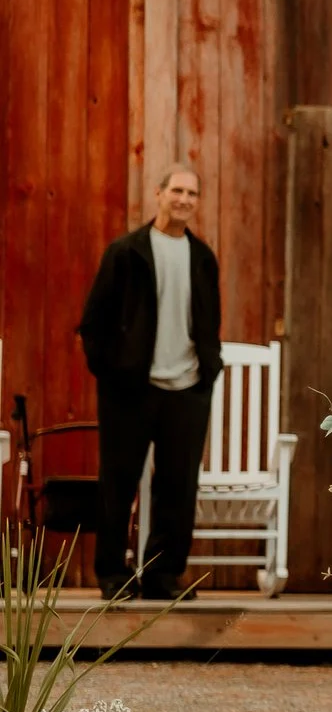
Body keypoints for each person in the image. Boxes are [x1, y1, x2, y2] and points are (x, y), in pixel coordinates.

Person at [78, 164, 221, 599]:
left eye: (192, 194)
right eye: (176, 190)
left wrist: (207, 369)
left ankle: (162, 575)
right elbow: (93, 323)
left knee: (178, 487)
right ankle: (112, 574)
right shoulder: (126, 253)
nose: (184, 199)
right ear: (159, 194)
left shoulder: (202, 258)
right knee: (117, 482)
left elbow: (210, 320)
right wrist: (113, 370)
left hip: (187, 388)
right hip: (130, 389)